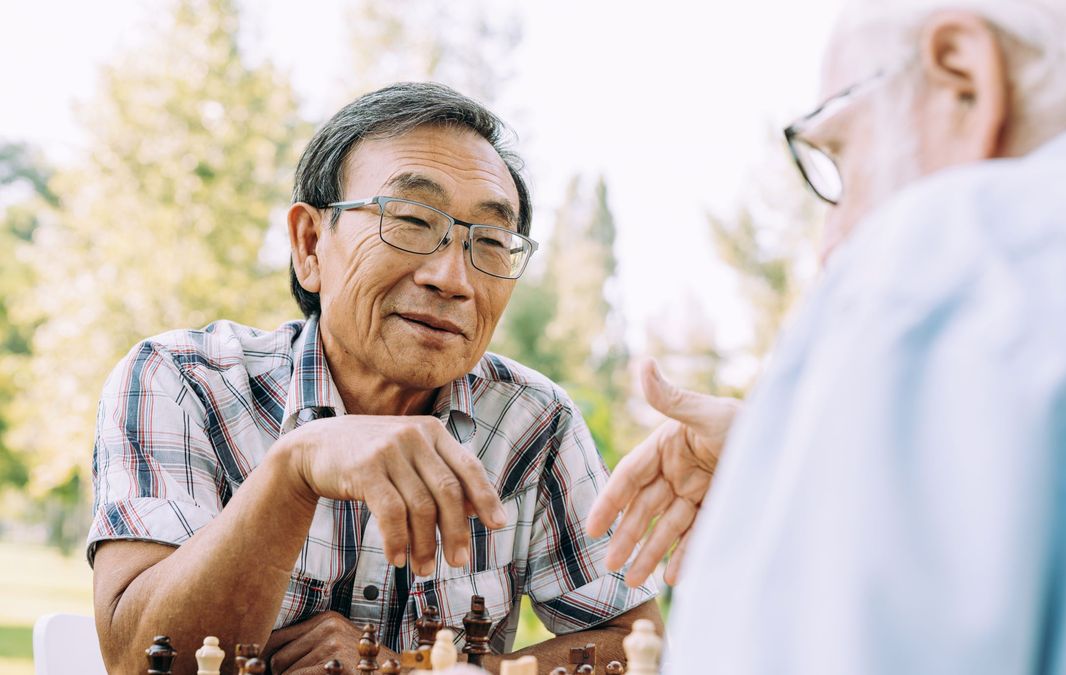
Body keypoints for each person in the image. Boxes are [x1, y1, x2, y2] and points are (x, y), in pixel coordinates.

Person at [588, 1, 1066, 672]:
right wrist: (791, 451)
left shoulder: (961, 246)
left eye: (841, 158)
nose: (831, 246)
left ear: (964, 82)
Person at [89, 82, 659, 674]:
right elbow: (138, 661)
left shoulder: (534, 421)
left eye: (489, 241)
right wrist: (294, 469)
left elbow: (638, 642)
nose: (452, 278)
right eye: (411, 220)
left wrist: (417, 670)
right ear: (310, 245)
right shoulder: (181, 380)